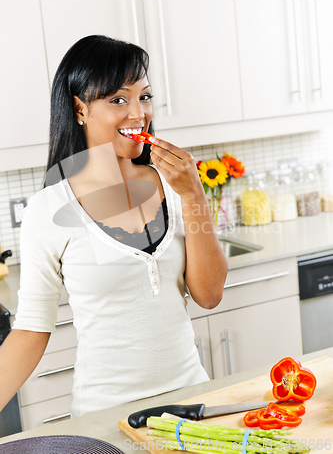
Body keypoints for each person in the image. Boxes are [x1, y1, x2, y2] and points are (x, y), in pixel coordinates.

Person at [0, 35, 228, 418]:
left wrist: (193, 196)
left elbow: (208, 295)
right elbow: (30, 331)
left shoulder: (174, 185)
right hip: (106, 416)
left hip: (191, 402)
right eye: (118, 99)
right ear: (79, 109)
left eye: (145, 96)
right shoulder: (50, 208)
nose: (138, 113)